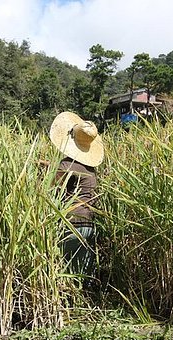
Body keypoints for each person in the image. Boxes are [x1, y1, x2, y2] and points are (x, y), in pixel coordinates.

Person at [48, 111, 104, 280]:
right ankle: (85, 300)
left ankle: (69, 302)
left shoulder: (66, 164)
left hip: (71, 223)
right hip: (89, 222)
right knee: (83, 271)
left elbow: (51, 189)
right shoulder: (91, 170)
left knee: (64, 269)